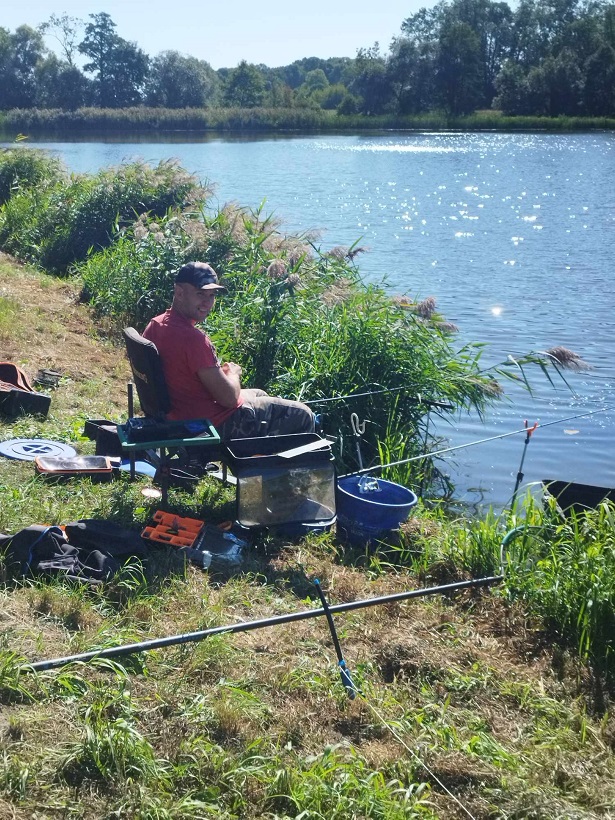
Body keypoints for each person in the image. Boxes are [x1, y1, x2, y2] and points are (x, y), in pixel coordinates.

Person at [142, 261, 315, 439]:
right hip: (212, 425)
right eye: (200, 294)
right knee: (303, 414)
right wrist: (233, 374)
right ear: (179, 292)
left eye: (211, 295)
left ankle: (260, 454)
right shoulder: (193, 339)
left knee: (259, 394)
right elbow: (230, 399)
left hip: (182, 415)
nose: (207, 302)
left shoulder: (155, 325)